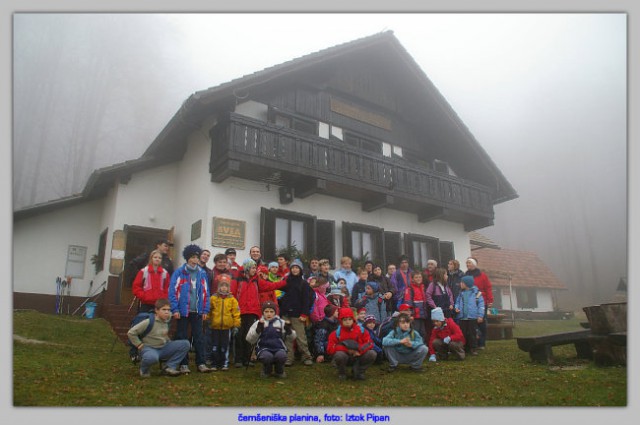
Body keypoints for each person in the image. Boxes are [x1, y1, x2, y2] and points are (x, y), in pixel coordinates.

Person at [234, 258, 287, 367]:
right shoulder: (238, 279)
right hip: (239, 312)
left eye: (255, 267)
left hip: (252, 311)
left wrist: (284, 283)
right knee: (239, 336)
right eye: (253, 268)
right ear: (247, 268)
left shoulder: (256, 280)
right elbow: (233, 294)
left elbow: (270, 286)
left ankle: (246, 359)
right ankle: (238, 360)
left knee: (248, 336)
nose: (255, 270)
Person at [168, 244, 211, 374]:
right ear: (187, 258)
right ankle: (183, 363)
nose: (195, 260)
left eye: (197, 257)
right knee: (182, 337)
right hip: (182, 312)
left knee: (199, 338)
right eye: (192, 257)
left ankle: (201, 363)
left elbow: (205, 293)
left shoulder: (202, 273)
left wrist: (205, 310)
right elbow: (172, 292)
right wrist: (175, 309)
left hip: (197, 312)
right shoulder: (179, 273)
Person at [127, 298, 191, 378]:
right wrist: (139, 345)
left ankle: (169, 367)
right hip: (149, 348)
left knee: (185, 344)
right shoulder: (148, 321)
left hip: (164, 347)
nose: (167, 312)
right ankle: (144, 369)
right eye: (163, 309)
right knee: (152, 358)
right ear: (156, 310)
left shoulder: (167, 319)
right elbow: (131, 333)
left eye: (168, 310)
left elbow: (171, 314)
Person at [246, 301, 296, 379]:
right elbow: (249, 339)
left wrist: (288, 330)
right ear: (263, 312)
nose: (269, 314)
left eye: (271, 311)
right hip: (263, 348)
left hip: (279, 347)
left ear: (275, 313)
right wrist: (257, 330)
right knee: (267, 357)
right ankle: (266, 370)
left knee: (281, 356)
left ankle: (279, 370)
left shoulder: (281, 322)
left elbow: (292, 338)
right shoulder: (258, 323)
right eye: (266, 311)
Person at [278, 259, 314, 366]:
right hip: (286, 314)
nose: (294, 269)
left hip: (298, 315)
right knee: (288, 337)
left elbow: (307, 300)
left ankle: (306, 356)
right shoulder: (285, 282)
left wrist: (304, 314)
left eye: (297, 268)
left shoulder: (304, 284)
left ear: (300, 270)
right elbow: (279, 295)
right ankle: (289, 358)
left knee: (300, 337)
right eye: (293, 267)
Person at [326, 307, 377, 380]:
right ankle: (342, 372)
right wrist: (347, 350)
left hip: (359, 355)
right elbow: (330, 348)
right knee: (339, 355)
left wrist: (359, 350)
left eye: (350, 319)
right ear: (341, 321)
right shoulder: (336, 333)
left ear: (353, 319)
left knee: (372, 353)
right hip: (344, 356)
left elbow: (369, 343)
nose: (347, 322)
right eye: (345, 320)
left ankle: (359, 371)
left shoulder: (361, 330)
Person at [207, 275, 240, 371]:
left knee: (224, 346)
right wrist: (207, 320)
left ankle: (224, 363)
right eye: (222, 286)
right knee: (214, 346)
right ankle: (214, 363)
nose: (224, 288)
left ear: (228, 288)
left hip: (226, 327)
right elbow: (209, 310)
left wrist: (236, 324)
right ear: (218, 287)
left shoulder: (232, 300)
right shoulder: (213, 298)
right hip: (215, 326)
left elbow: (236, 313)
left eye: (226, 286)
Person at [465, 257, 493, 350]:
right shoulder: (465, 275)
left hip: (481, 301)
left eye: (469, 263)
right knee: (472, 323)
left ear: (473, 264)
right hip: (469, 301)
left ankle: (481, 343)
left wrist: (490, 300)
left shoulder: (482, 275)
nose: (467, 265)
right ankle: (474, 343)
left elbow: (488, 287)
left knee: (481, 322)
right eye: (467, 263)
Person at [454, 275, 485, 356]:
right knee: (462, 333)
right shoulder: (461, 293)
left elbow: (481, 305)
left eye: (462, 282)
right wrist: (456, 308)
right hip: (462, 317)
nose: (460, 284)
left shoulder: (477, 294)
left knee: (472, 333)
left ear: (467, 284)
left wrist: (480, 315)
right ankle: (464, 348)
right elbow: (457, 302)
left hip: (472, 317)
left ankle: (473, 348)